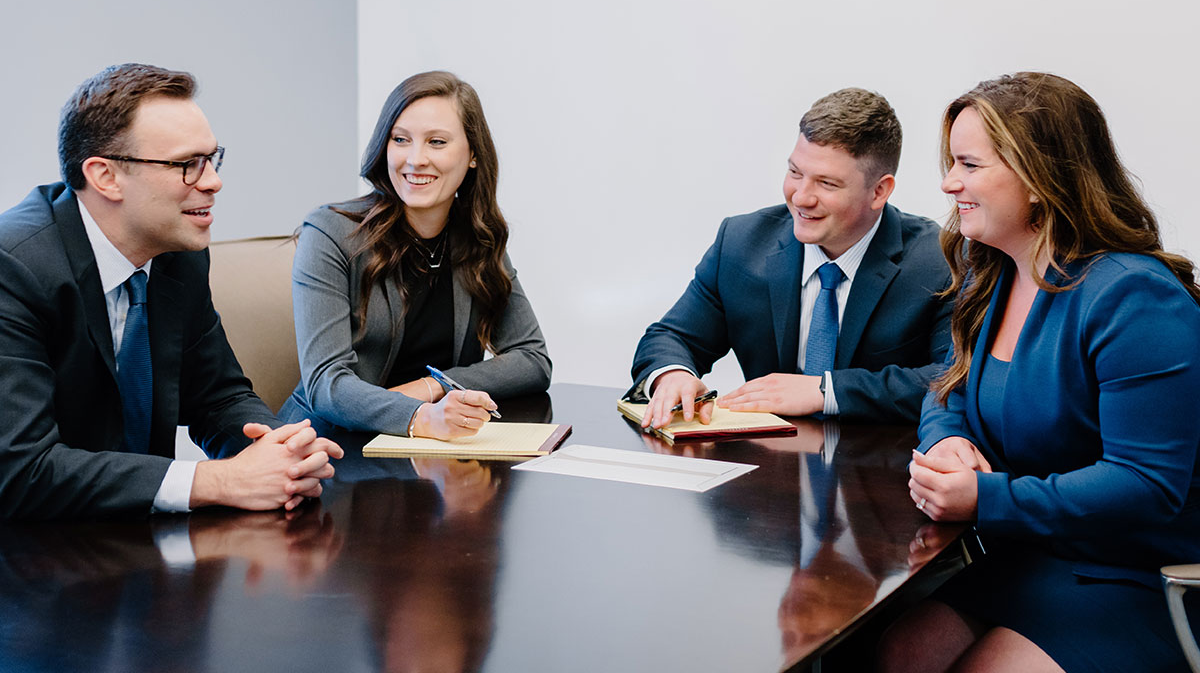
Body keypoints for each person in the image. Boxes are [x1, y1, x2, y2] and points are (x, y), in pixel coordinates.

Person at [879, 72, 1200, 673]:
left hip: (1138, 574)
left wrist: (986, 496)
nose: (949, 183)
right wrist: (947, 439)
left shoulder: (1134, 298)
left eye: (969, 164)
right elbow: (947, 387)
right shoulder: (992, 272)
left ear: (1037, 177)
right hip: (1033, 555)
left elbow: (1146, 484)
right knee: (900, 653)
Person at [0, 63, 343, 520]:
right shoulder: (14, 267)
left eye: (212, 158)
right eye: (187, 164)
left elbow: (218, 397)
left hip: (138, 546)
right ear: (105, 176)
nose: (212, 181)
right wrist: (218, 480)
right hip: (31, 558)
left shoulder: (178, 255)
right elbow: (20, 470)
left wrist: (280, 449)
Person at [631, 87, 952, 429]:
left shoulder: (940, 261)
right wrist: (674, 376)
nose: (801, 197)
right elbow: (671, 337)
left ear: (879, 191)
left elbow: (953, 379)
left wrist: (826, 392)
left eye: (827, 184)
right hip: (764, 465)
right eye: (795, 173)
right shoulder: (741, 243)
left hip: (883, 468)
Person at [278, 71, 551, 439]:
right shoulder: (331, 233)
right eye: (400, 140)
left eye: (437, 142)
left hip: (426, 450)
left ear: (473, 155)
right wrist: (419, 415)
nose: (415, 159)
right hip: (327, 446)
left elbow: (533, 360)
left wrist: (433, 386)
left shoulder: (477, 239)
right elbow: (327, 384)